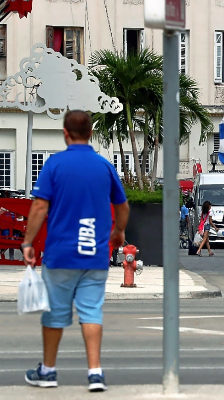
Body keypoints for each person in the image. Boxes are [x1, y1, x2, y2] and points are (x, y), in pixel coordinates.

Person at [21, 110, 129, 392]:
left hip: (60, 256)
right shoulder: (104, 166)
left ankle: (48, 371)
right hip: (95, 254)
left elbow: (40, 206)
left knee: (55, 314)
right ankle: (95, 373)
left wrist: (27, 242)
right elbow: (122, 205)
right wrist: (118, 231)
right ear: (91, 133)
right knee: (92, 312)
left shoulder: (54, 165)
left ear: (65, 133)